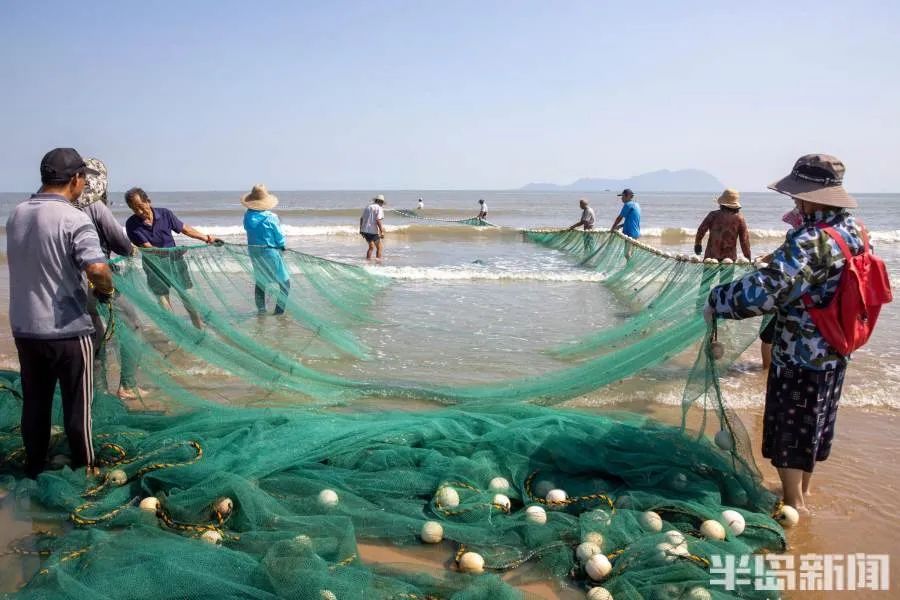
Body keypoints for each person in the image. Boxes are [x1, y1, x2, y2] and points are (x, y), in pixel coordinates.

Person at [706, 154, 871, 515]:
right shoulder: (854, 230)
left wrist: (717, 300)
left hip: (800, 352)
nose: (795, 201)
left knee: (790, 430)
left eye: (798, 195)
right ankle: (801, 493)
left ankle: (793, 504)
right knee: (812, 426)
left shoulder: (811, 239)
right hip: (835, 346)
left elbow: (768, 291)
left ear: (813, 195)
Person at [6, 148, 115, 478]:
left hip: (25, 328)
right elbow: (97, 268)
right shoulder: (74, 218)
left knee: (36, 402)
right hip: (68, 329)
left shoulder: (17, 213)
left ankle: (35, 465)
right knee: (77, 405)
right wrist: (105, 289)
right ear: (76, 179)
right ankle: (87, 467)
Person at [78, 159, 146, 401]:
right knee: (134, 326)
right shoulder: (94, 206)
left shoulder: (62, 205)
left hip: (70, 284)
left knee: (94, 334)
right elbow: (121, 243)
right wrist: (134, 250)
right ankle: (127, 386)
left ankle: (99, 392)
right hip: (98, 279)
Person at [124, 187, 220, 329]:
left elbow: (184, 229)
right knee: (164, 302)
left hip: (176, 262)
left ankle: (199, 330)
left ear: (148, 201)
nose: (139, 212)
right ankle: (177, 335)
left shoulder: (165, 214)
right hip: (154, 266)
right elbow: (149, 248)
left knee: (188, 298)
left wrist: (206, 238)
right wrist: (176, 251)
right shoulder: (131, 224)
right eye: (134, 209)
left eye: (140, 207)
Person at [241, 184, 290, 315]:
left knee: (261, 281)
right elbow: (278, 237)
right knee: (285, 284)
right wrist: (282, 245)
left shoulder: (247, 216)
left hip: (254, 252)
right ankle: (279, 313)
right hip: (270, 252)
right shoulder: (271, 217)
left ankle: (261, 311)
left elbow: (249, 230)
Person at [693, 189, 751, 261]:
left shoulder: (713, 215)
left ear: (721, 203)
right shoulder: (739, 218)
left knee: (709, 272)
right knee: (727, 272)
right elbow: (744, 240)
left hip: (711, 255)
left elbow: (701, 230)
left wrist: (697, 244)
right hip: (729, 258)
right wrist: (748, 257)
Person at [359, 194, 386, 260]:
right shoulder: (379, 208)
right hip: (372, 231)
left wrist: (361, 229)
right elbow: (378, 220)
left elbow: (361, 219)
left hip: (365, 230)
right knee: (379, 247)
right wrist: (382, 231)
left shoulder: (368, 207)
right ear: (381, 202)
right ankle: (378, 262)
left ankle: (368, 262)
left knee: (371, 247)